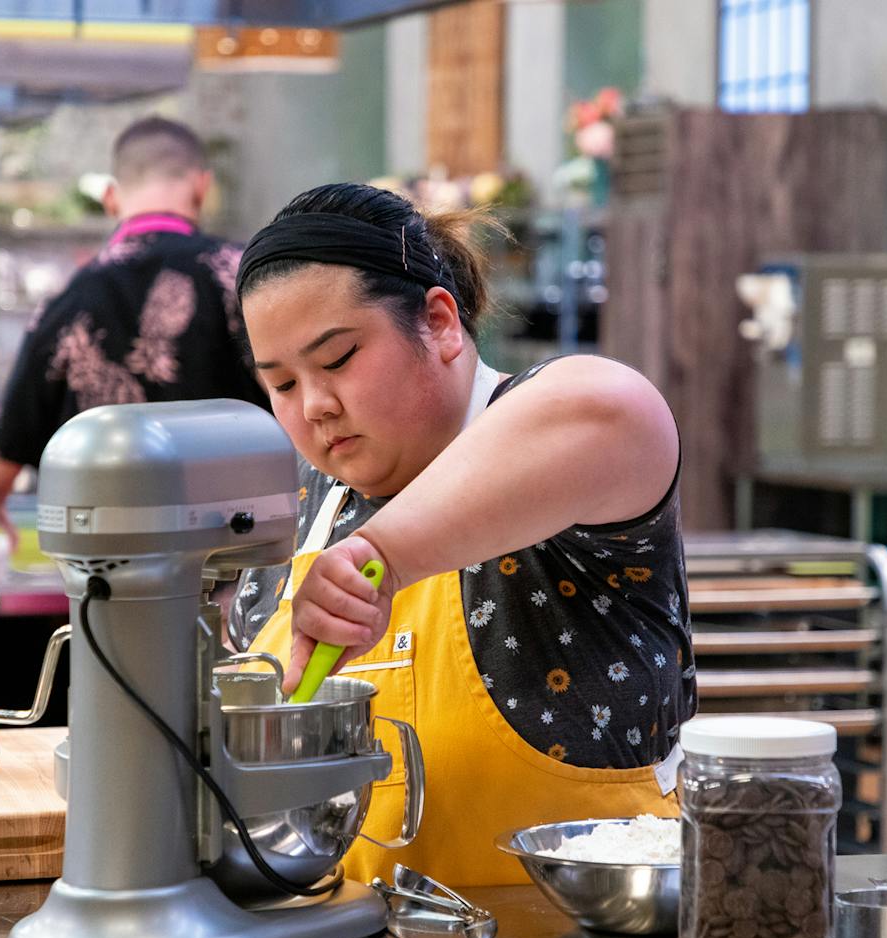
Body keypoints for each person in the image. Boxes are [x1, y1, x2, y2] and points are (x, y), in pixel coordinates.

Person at [228, 183, 697, 886]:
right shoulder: (298, 508)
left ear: (441, 323)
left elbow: (615, 407)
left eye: (337, 360)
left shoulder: (565, 447)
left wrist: (377, 557)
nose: (316, 406)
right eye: (282, 384)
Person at [0, 116, 269, 557]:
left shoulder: (69, 300)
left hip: (115, 582)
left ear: (111, 198)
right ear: (201, 188)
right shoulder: (245, 277)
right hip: (246, 566)